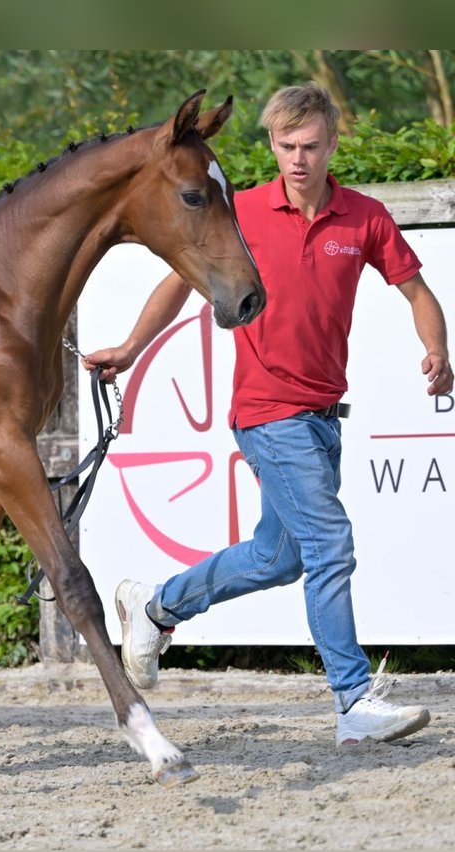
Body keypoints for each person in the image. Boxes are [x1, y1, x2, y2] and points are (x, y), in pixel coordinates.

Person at [85, 82, 453, 746]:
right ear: (273, 146)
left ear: (332, 143)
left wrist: (436, 348)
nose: (299, 159)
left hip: (322, 418)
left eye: (311, 146)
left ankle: (155, 604)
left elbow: (418, 293)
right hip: (267, 413)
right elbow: (178, 281)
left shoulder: (364, 217)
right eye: (286, 146)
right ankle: (352, 700)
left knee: (277, 556)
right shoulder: (245, 211)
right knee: (330, 544)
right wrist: (132, 349)